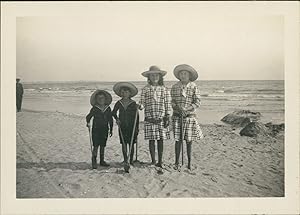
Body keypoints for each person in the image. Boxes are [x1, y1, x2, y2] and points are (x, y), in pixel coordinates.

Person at [171, 64, 204, 170]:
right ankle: (176, 162)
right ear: (179, 76)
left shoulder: (194, 86)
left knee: (189, 141)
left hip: (189, 117)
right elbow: (171, 101)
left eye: (185, 74)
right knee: (178, 141)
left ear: (189, 75)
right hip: (177, 117)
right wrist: (177, 108)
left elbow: (197, 102)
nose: (183, 75)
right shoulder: (175, 87)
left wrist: (187, 109)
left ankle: (189, 162)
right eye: (181, 74)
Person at [139, 65, 172, 168]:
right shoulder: (145, 89)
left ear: (160, 77)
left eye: (156, 75)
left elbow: (167, 104)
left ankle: (160, 160)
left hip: (161, 119)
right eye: (152, 75)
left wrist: (168, 116)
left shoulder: (164, 89)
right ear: (149, 77)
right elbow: (142, 102)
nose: (154, 77)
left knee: (160, 140)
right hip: (149, 119)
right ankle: (153, 160)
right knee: (151, 140)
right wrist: (140, 106)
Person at [112, 82, 139, 165]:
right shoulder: (119, 103)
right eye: (122, 92)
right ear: (120, 93)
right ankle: (125, 159)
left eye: (126, 92)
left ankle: (131, 160)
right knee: (124, 143)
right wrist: (117, 119)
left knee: (131, 143)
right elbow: (113, 113)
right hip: (122, 125)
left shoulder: (133, 103)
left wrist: (137, 127)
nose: (124, 94)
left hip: (132, 126)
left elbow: (137, 116)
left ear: (130, 93)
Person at [86, 90, 113, 169]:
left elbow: (110, 119)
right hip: (96, 129)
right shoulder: (95, 108)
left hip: (105, 129)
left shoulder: (108, 108)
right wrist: (88, 123)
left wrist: (111, 129)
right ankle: (94, 161)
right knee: (96, 145)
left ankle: (102, 160)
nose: (101, 100)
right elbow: (88, 117)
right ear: (96, 100)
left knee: (103, 145)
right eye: (99, 98)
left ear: (105, 99)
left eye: (102, 98)